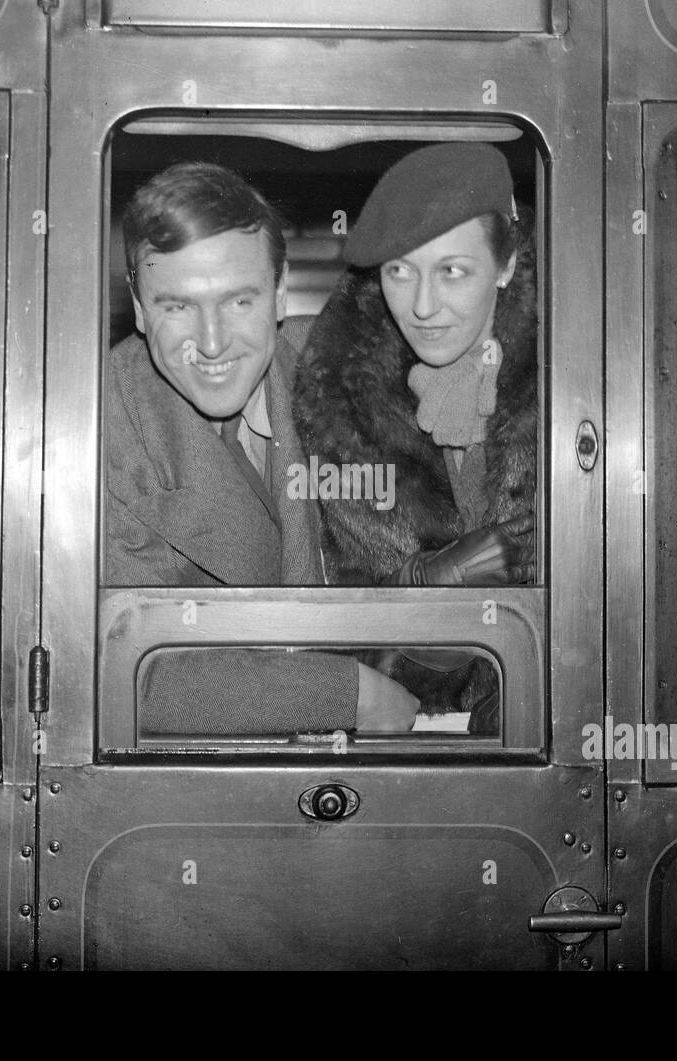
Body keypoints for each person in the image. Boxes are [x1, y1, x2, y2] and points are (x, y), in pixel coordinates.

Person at [103, 161, 418, 734]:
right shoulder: (93, 429)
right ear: (140, 308)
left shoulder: (344, 370)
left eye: (239, 301)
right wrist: (352, 699)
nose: (214, 341)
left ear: (278, 294)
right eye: (177, 306)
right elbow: (119, 672)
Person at [293, 143, 539, 730]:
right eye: (400, 271)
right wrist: (421, 589)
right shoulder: (336, 395)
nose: (423, 307)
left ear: (505, 265)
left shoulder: (588, 367)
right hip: (412, 741)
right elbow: (323, 634)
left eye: (452, 271)